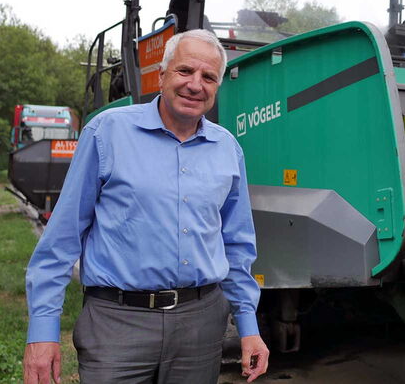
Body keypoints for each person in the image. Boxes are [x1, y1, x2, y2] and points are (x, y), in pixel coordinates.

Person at [23, 29, 269, 384]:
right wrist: (43, 333)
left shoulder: (227, 149)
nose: (195, 85)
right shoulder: (106, 133)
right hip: (116, 326)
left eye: (208, 77)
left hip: (200, 325)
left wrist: (248, 326)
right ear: (162, 74)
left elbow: (238, 245)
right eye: (185, 71)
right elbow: (61, 239)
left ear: (217, 87)